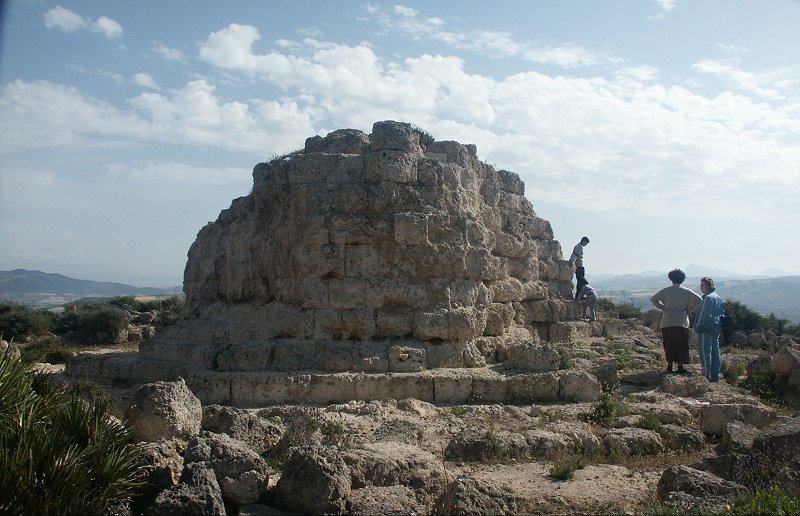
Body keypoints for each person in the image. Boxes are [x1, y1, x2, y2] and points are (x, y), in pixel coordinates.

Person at [650, 269, 702, 374]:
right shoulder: (686, 291)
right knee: (681, 344)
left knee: (668, 343)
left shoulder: (666, 291)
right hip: (681, 320)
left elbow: (653, 299)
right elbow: (699, 300)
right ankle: (680, 366)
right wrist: (689, 310)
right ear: (682, 279)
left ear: (671, 278)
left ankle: (669, 365)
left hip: (667, 320)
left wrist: (662, 307)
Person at [693, 276, 726, 382]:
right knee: (715, 352)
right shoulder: (717, 297)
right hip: (716, 327)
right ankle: (716, 375)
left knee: (705, 352)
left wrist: (697, 326)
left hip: (705, 328)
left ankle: (706, 375)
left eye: (702, 285)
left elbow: (703, 315)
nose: (701, 287)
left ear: (708, 286)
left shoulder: (707, 298)